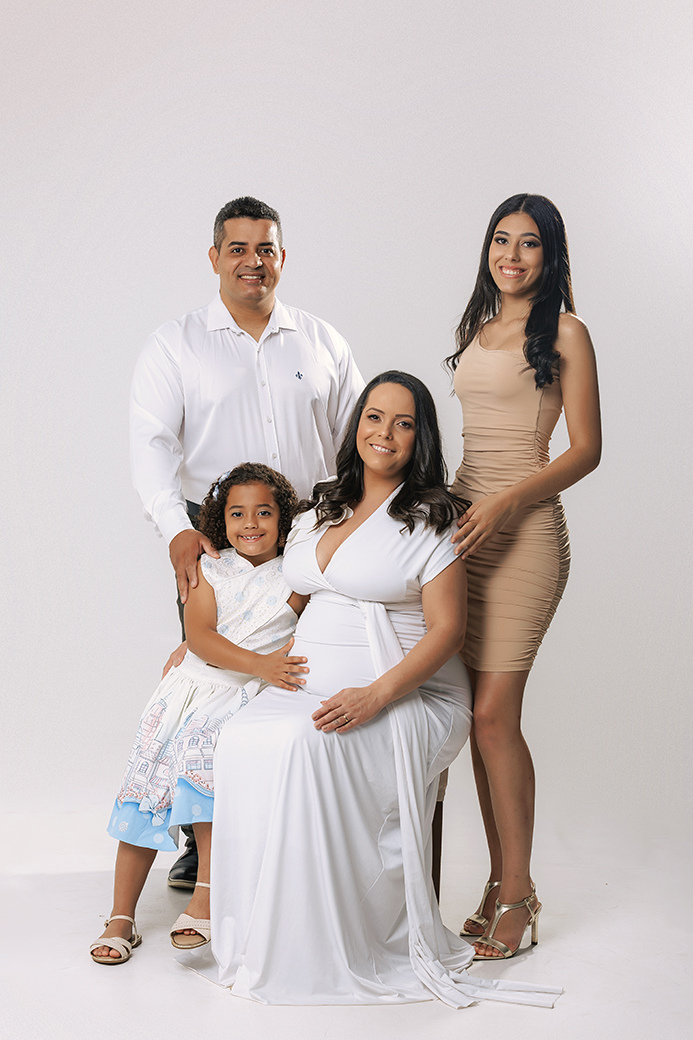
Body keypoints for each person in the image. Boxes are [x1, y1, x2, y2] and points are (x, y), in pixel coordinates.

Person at [178, 373, 562, 1008]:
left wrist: (376, 696)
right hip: (307, 682)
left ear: (421, 438)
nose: (385, 432)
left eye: (403, 423)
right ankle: (271, 934)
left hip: (409, 693)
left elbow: (447, 631)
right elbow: (272, 585)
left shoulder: (433, 518)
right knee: (240, 738)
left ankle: (337, 944)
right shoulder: (321, 509)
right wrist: (204, 635)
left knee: (302, 745)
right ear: (356, 425)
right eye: (374, 417)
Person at [130, 195, 364, 885]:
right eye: (237, 248)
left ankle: (290, 829)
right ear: (214, 258)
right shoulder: (175, 343)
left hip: (311, 535)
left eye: (265, 249)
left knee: (302, 671)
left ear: (281, 258)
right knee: (211, 679)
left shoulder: (321, 342)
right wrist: (177, 529)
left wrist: (353, 525)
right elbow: (150, 443)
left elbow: (357, 439)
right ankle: (200, 843)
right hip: (214, 536)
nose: (252, 262)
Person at [446, 194, 601, 959]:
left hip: (526, 534)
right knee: (474, 723)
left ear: (550, 255)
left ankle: (518, 893)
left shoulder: (566, 332)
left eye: (528, 243)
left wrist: (507, 499)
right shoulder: (475, 330)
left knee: (492, 717)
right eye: (500, 240)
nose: (511, 255)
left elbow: (586, 449)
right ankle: (500, 878)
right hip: (462, 536)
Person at [90, 464, 309, 964]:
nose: (250, 523)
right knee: (144, 793)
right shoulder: (211, 568)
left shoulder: (296, 576)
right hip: (187, 691)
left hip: (240, 695)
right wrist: (262, 664)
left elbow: (308, 627)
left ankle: (205, 895)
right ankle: (121, 915)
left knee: (203, 769)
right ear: (220, 520)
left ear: (283, 519)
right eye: (237, 513)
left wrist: (272, 668)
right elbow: (201, 637)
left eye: (264, 512)